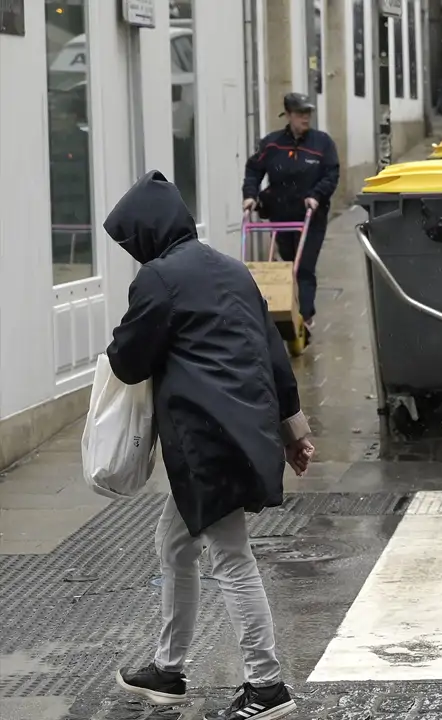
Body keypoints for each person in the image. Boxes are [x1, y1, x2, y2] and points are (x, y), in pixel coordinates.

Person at [108, 170, 315, 720]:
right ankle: (168, 670)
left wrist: (118, 346)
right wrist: (296, 431)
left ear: (147, 234)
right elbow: (275, 353)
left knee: (230, 558)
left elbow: (130, 361)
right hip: (248, 431)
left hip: (208, 440)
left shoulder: (158, 279)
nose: (134, 252)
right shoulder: (230, 269)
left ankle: (267, 687)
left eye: (132, 241)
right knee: (174, 544)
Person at [243, 92, 340, 336]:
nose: (305, 119)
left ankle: (305, 318)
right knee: (286, 267)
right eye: (300, 114)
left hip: (310, 215)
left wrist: (316, 196)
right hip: (280, 213)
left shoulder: (322, 143)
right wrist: (250, 195)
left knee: (304, 267)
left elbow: (331, 174)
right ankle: (280, 311)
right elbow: (254, 169)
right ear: (288, 115)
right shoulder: (272, 144)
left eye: (308, 114)